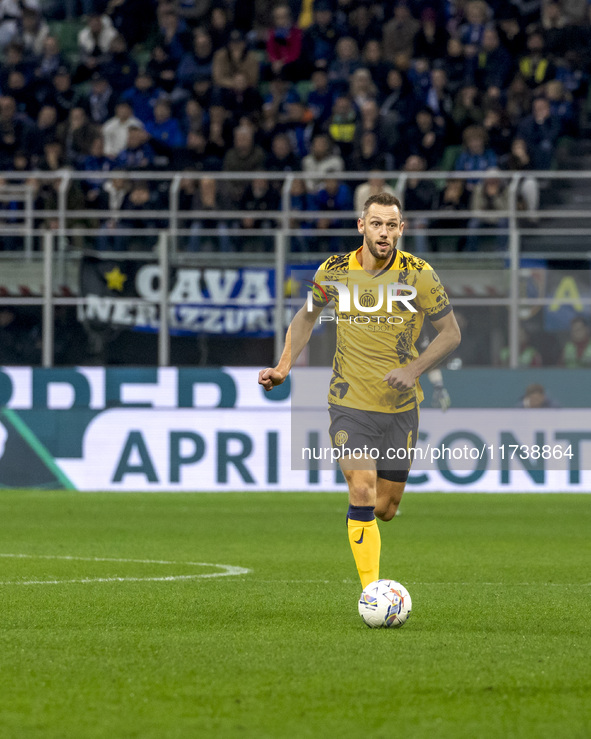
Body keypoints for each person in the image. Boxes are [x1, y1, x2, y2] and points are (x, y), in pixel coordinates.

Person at [258, 192, 461, 588]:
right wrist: (283, 367)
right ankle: (372, 592)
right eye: (376, 224)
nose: (383, 233)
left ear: (401, 230)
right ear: (361, 226)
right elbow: (306, 317)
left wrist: (414, 369)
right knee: (363, 488)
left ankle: (367, 528)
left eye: (391, 225)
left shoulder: (418, 274)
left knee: (385, 507)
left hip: (400, 405)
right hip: (348, 401)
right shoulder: (333, 271)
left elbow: (451, 335)